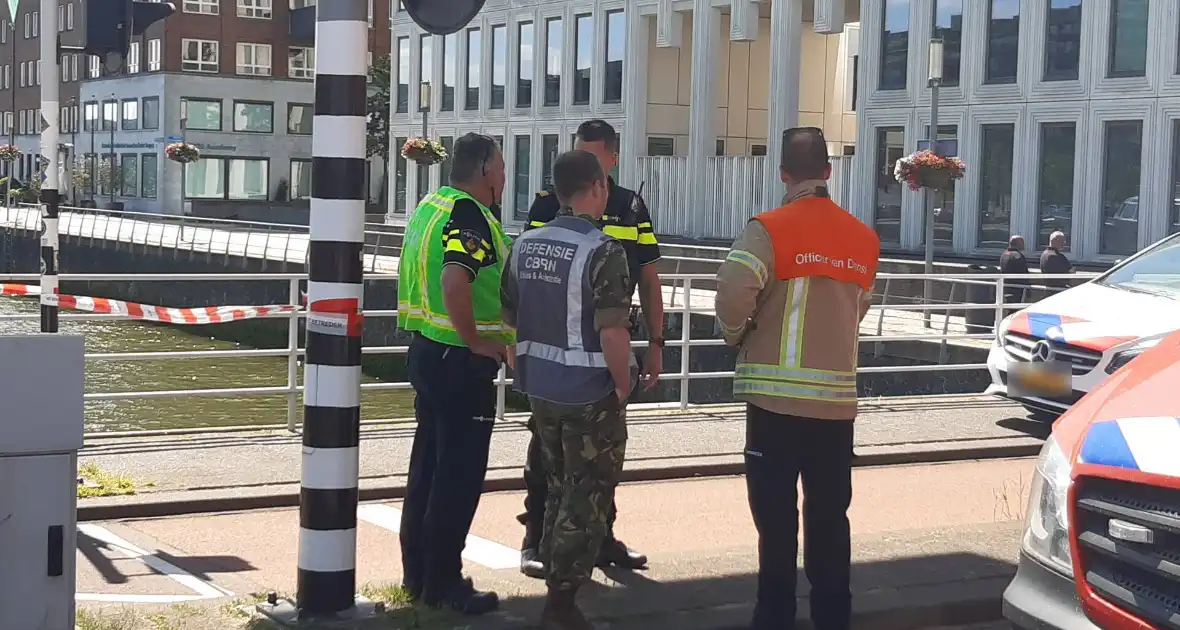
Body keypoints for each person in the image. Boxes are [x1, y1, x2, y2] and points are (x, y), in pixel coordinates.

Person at [714, 127, 880, 630]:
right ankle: (833, 618)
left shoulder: (769, 228)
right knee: (830, 522)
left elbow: (732, 288)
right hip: (835, 408)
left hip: (773, 407)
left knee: (777, 525)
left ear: (783, 173)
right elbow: (860, 308)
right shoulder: (862, 238)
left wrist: (737, 333)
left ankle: (775, 619)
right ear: (829, 172)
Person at [516, 119, 662, 578]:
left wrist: (656, 343)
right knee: (551, 465)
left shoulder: (630, 206)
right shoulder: (547, 205)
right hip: (572, 365)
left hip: (595, 360)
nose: (585, 166)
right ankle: (539, 545)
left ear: (611, 162)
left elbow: (649, 277)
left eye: (594, 157)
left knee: (595, 469)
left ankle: (599, 541)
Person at [501, 150, 636, 630]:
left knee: (557, 484)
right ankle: (561, 602)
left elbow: (510, 317)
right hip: (588, 392)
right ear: (598, 187)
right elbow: (613, 331)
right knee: (588, 493)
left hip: (541, 388)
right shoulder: (603, 250)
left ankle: (554, 576)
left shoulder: (525, 245)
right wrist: (623, 386)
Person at [395, 133, 513, 615]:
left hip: (426, 350)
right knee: (458, 477)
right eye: (502, 168)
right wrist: (479, 341)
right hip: (460, 362)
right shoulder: (468, 214)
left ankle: (418, 575)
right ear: (485, 171)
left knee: (426, 468)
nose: (505, 177)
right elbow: (455, 280)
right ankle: (444, 584)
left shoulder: (431, 205)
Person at [1000, 234, 1030, 305]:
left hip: (1006, 288)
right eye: (1022, 243)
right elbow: (1024, 273)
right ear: (1018, 244)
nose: (1024, 245)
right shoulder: (1018, 256)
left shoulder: (1004, 255)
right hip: (1017, 290)